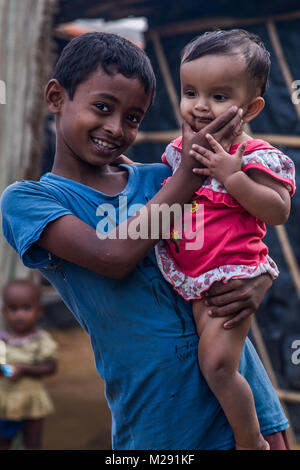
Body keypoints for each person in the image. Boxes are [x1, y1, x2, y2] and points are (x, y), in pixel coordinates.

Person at [0, 32, 290, 450]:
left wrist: (260, 277)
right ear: (55, 97)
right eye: (102, 107)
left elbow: (240, 232)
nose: (116, 128)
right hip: (159, 421)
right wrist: (190, 175)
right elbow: (112, 255)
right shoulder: (31, 201)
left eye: (134, 118)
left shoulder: (162, 179)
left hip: (244, 409)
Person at [155, 29, 295, 450]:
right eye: (190, 92)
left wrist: (231, 177)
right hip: (187, 273)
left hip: (229, 277)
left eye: (219, 96)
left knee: (216, 366)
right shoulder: (180, 151)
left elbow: (279, 211)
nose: (200, 106)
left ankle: (252, 440)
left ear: (251, 108)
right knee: (194, 365)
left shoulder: (257, 157)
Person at [0, 279, 58, 450]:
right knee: (3, 442)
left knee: (33, 442)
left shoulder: (41, 341)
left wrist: (24, 369)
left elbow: (51, 367)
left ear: (38, 310)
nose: (19, 315)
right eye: (13, 308)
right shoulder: (2, 340)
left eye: (26, 308)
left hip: (33, 401)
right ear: (4, 311)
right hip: (5, 401)